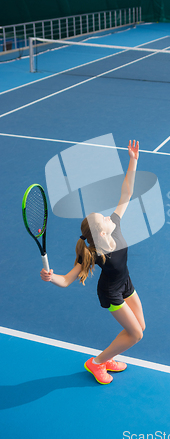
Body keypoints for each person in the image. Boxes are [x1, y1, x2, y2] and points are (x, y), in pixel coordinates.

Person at [40, 140, 145, 385]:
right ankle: (96, 363)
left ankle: (108, 358)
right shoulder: (93, 253)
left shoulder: (115, 226)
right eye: (105, 218)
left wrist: (133, 160)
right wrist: (50, 276)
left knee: (139, 327)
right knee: (136, 335)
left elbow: (126, 192)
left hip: (126, 282)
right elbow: (66, 280)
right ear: (101, 232)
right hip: (111, 294)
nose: (110, 216)